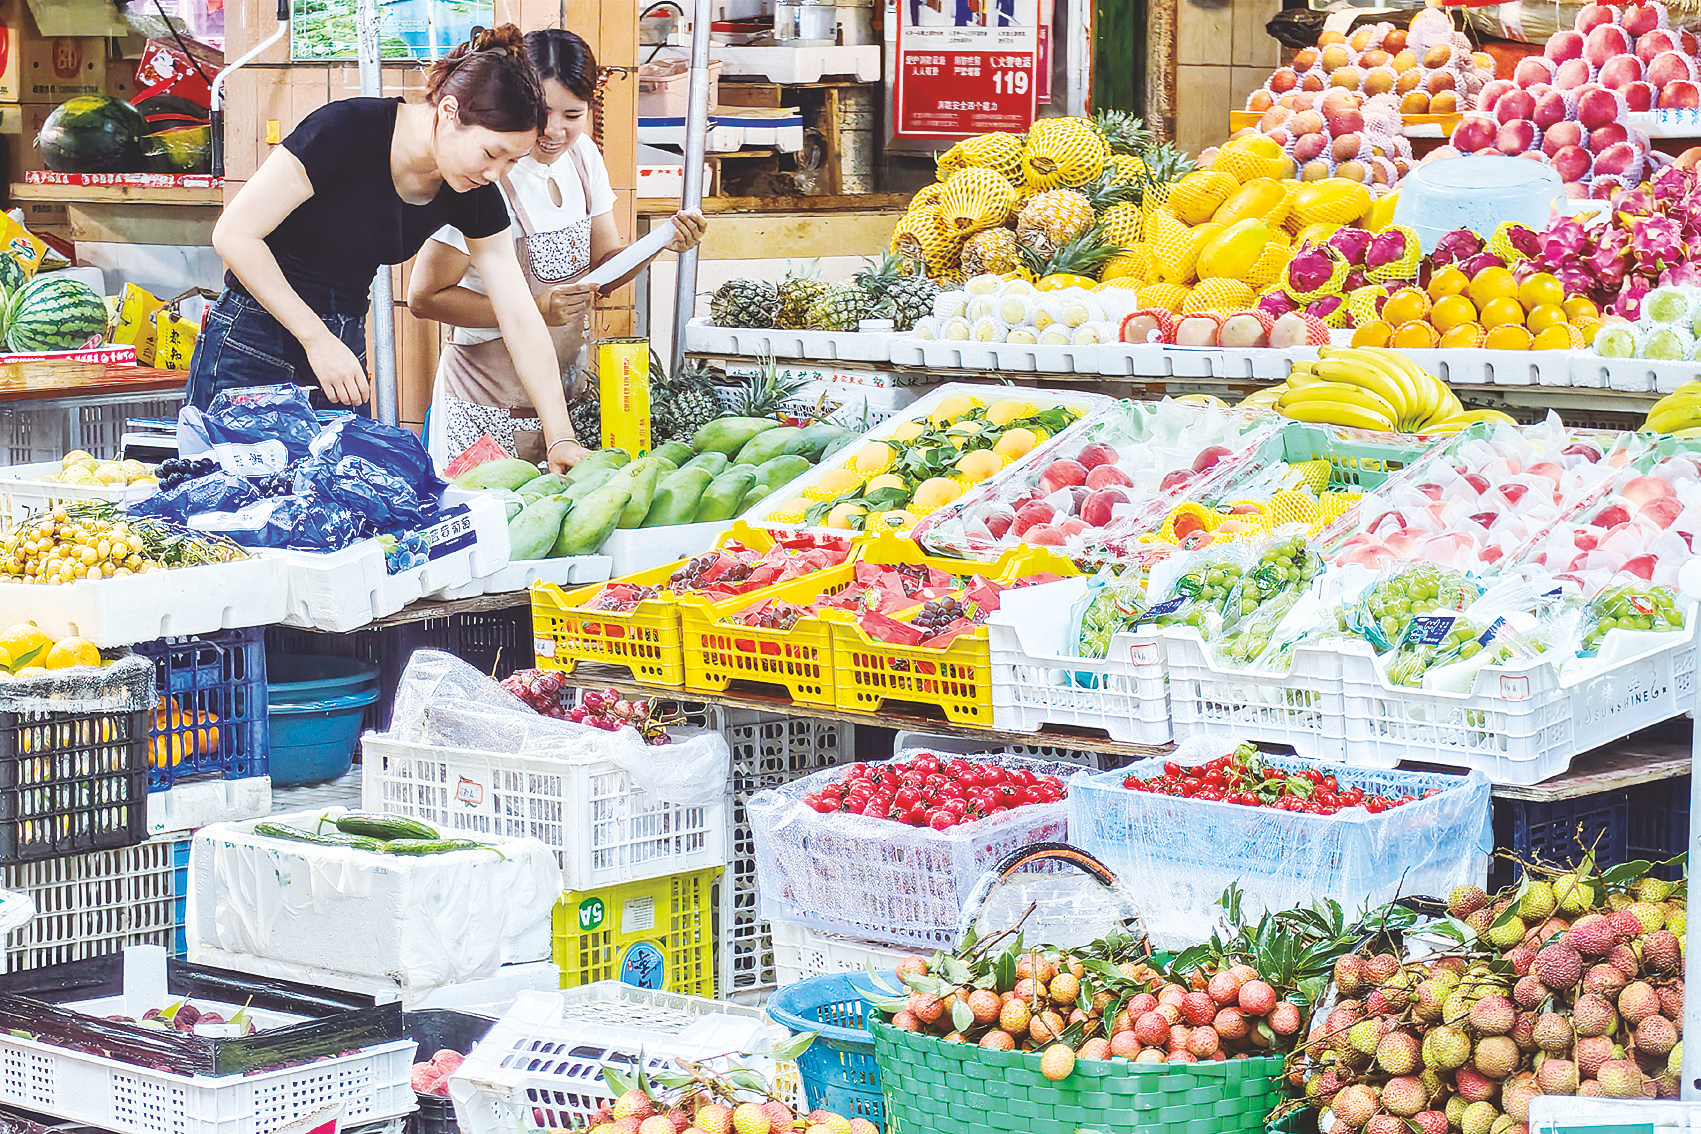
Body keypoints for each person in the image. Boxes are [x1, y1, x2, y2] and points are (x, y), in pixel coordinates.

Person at [186, 24, 593, 472]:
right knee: (228, 504)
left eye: (512, 161)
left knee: (336, 507)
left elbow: (518, 313)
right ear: (449, 112)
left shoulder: (472, 188)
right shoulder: (346, 128)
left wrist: (560, 438)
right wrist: (316, 339)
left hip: (343, 339)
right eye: (491, 153)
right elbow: (234, 235)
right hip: (253, 337)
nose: (496, 173)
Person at [407, 28, 706, 464]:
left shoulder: (584, 157)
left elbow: (604, 266)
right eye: (544, 112)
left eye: (573, 114)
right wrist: (537, 308)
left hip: (563, 403)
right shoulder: (483, 173)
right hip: (482, 405)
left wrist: (659, 243)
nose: (555, 130)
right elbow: (424, 296)